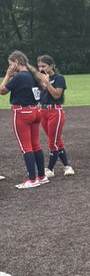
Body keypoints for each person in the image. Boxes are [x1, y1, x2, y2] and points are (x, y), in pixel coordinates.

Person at [0, 51, 50, 189]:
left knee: (25, 147)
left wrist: (8, 75)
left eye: (11, 64)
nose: (10, 67)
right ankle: (42, 176)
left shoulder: (19, 76)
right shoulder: (32, 75)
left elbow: (2, 91)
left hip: (21, 112)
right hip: (35, 111)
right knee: (36, 145)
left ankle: (32, 179)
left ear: (16, 62)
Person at [36, 55, 75, 177]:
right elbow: (38, 97)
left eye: (44, 66)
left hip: (55, 112)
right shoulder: (39, 79)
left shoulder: (59, 78)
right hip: (43, 112)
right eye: (39, 66)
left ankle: (50, 169)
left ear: (51, 65)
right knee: (56, 140)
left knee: (52, 141)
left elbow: (57, 95)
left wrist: (47, 83)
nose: (41, 68)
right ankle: (67, 167)